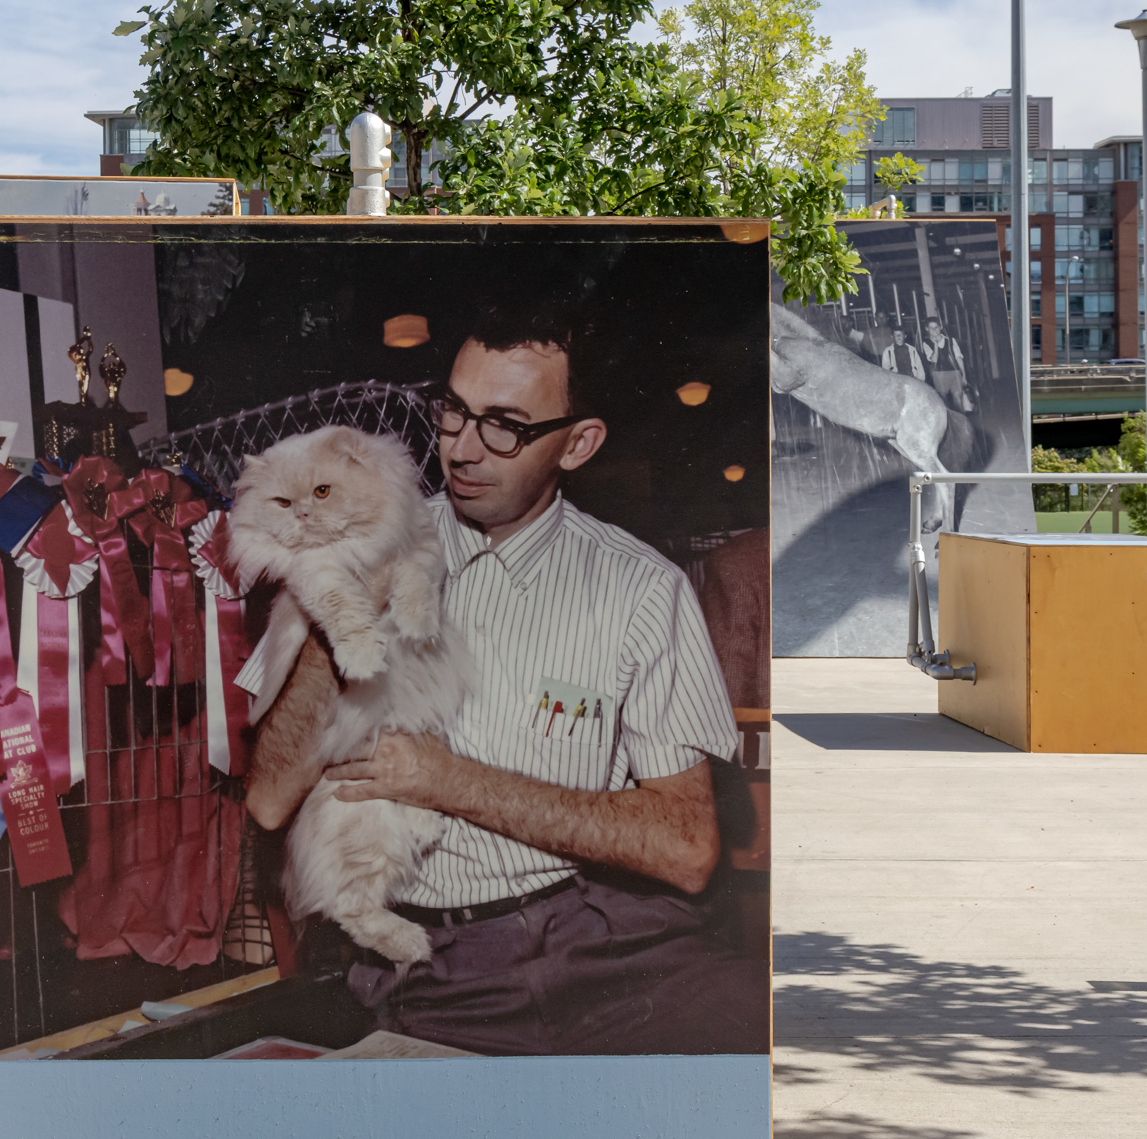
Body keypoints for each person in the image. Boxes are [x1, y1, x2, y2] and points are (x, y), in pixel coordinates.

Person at [239, 300, 760, 1057]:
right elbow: (266, 798)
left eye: (505, 426)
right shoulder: (358, 535)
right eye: (453, 411)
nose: (461, 450)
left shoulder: (642, 588)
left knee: (774, 1054)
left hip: (609, 944)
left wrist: (446, 780)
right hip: (439, 970)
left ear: (577, 444)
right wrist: (339, 617)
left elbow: (686, 847)